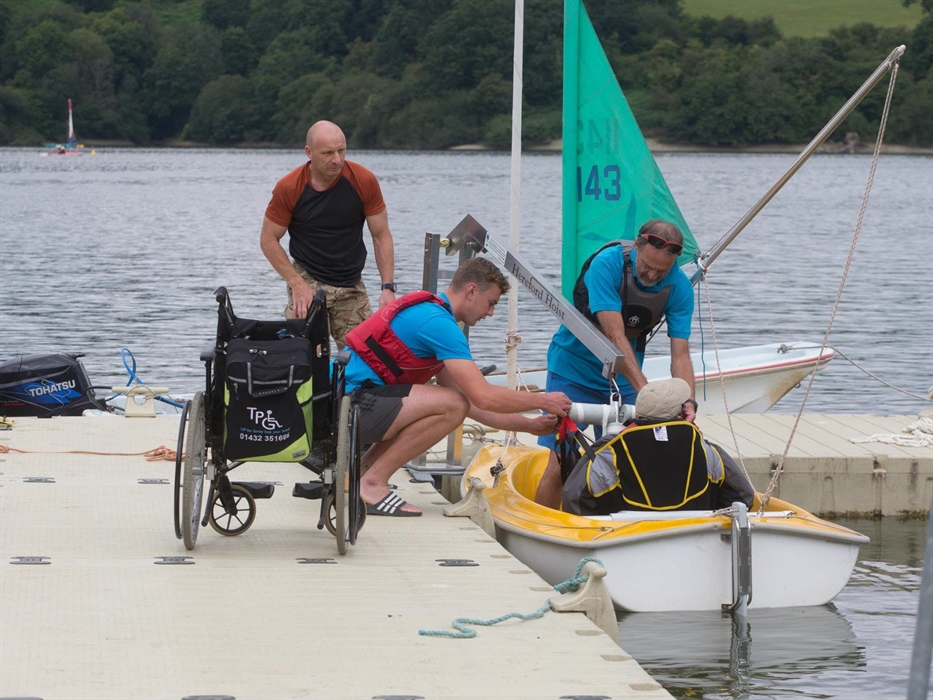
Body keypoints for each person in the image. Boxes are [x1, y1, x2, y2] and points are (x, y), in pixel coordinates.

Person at [343, 257, 572, 516]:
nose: (490, 313)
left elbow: (471, 405)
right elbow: (481, 397)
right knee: (452, 405)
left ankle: (358, 475)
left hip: (350, 403)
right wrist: (543, 401)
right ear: (472, 290)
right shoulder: (439, 324)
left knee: (454, 403)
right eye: (491, 303)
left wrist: (529, 425)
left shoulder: (432, 314)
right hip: (347, 407)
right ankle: (372, 484)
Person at [535, 219, 698, 508]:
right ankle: (543, 523)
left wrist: (688, 401)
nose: (653, 275)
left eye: (663, 270)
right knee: (561, 462)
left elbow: (681, 354)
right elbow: (614, 336)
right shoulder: (607, 264)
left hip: (624, 381)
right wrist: (650, 395)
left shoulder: (679, 288)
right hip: (572, 370)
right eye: (647, 265)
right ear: (637, 245)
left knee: (634, 461)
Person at [260, 120, 396, 349]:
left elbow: (381, 235)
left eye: (341, 151)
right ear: (309, 152)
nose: (337, 160)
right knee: (305, 356)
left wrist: (387, 287)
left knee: (368, 357)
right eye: (328, 153)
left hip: (350, 282)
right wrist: (297, 283)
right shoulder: (290, 187)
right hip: (307, 278)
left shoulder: (363, 180)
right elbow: (268, 240)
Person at [561, 378, 755, 516]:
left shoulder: (608, 454)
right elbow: (743, 498)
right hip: (694, 539)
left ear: (638, 413)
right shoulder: (707, 452)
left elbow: (574, 502)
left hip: (623, 542)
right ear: (681, 412)